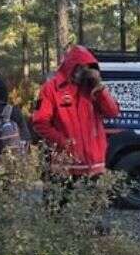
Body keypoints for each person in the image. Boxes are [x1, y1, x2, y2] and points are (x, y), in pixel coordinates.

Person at [32, 45, 120, 178]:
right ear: (71, 67)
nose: (84, 72)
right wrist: (63, 142)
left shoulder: (93, 89)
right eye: (82, 68)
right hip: (65, 168)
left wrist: (100, 89)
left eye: (88, 68)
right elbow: (40, 123)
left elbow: (113, 112)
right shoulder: (52, 89)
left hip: (95, 167)